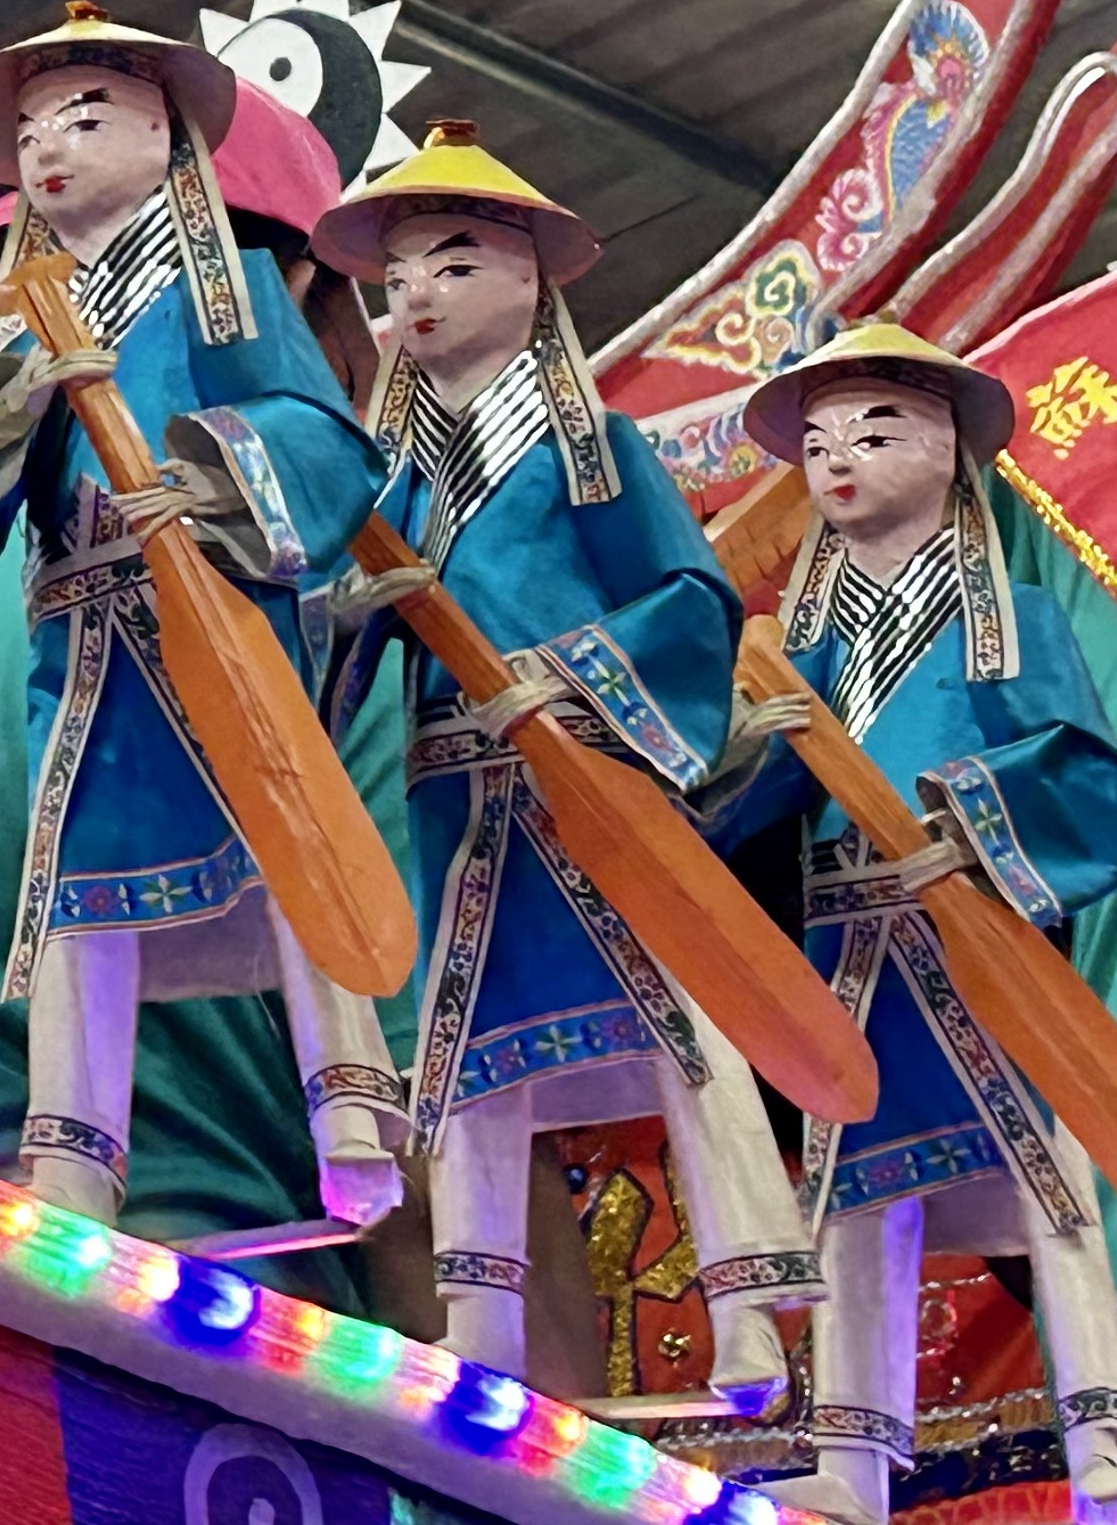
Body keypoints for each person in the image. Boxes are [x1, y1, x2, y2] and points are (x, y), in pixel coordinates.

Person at [309, 124, 814, 1403]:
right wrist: (358, 612)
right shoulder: (392, 486)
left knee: (683, 1039)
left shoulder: (595, 452)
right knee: (461, 1061)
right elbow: (334, 635)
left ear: (534, 280)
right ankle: (480, 1346)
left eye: (455, 263)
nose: (417, 294)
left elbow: (693, 605)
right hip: (457, 800)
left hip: (586, 786)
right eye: (401, 276)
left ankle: (754, 1320)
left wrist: (578, 673)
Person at [0, 3, 403, 1232]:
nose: (52, 146)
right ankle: (73, 1145)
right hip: (84, 635)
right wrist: (10, 396)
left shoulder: (224, 291)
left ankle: (349, 1102)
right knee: (74, 871)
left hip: (219, 610)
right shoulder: (30, 315)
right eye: (30, 129)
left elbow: (314, 432)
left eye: (89, 115)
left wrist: (210, 470)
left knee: (290, 842)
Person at [717, 323, 1117, 1525]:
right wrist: (739, 769)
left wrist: (969, 814)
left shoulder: (1004, 618)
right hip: (850, 944)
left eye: (876, 429)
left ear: (953, 452)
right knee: (858, 1195)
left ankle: (1101, 1428)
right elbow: (759, 799)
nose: (839, 458)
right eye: (815, 443)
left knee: (1047, 1190)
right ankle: (854, 1463)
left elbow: (1085, 769)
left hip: (970, 932)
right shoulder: (808, 644)